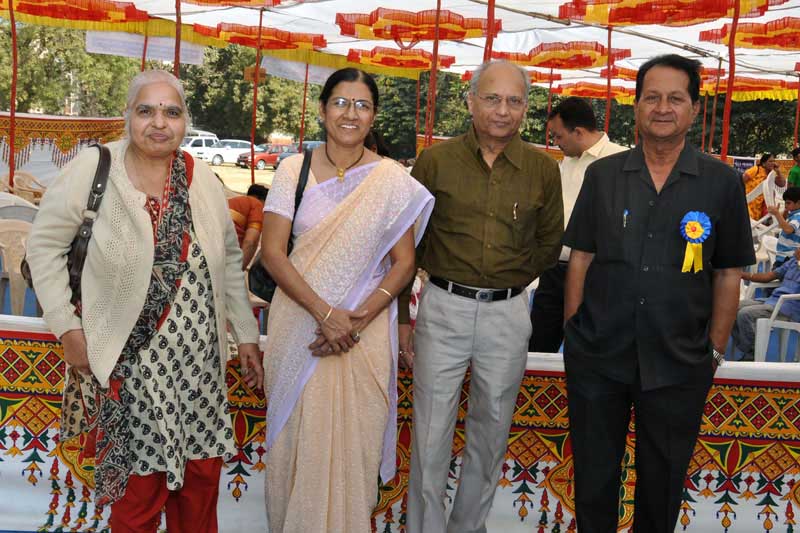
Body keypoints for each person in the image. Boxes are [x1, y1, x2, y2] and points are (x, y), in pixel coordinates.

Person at [26, 70, 262, 532]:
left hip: (199, 373)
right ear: (127, 116)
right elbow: (43, 247)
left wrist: (247, 334)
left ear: (185, 121)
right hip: (131, 368)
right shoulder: (96, 168)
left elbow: (229, 260)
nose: (159, 122)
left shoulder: (201, 178)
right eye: (146, 111)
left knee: (198, 496)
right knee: (137, 502)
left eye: (171, 112)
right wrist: (67, 327)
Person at [562, 54, 754, 533]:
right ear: (637, 105)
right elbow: (581, 257)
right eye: (652, 97)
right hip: (599, 358)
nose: (662, 107)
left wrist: (714, 350)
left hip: (679, 362)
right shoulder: (604, 176)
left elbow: (728, 272)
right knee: (593, 482)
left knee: (662, 486)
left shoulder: (722, 182)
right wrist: (574, 334)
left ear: (694, 108)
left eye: (675, 98)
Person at [260, 67, 434, 533]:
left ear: (373, 115)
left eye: (362, 105)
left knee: (352, 447)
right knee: (297, 441)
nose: (350, 114)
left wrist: (355, 320)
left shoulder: (391, 179)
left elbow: (404, 263)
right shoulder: (292, 170)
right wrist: (325, 314)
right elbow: (273, 253)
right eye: (340, 102)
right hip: (300, 327)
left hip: (363, 332)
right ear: (322, 109)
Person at [401, 59, 563, 533]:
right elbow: (409, 243)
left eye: (514, 101)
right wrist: (403, 318)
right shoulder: (435, 161)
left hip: (508, 312)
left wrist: (508, 281)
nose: (502, 110)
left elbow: (549, 243)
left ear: (526, 108)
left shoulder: (542, 169)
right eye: (492, 98)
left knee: (491, 433)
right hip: (443, 307)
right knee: (431, 434)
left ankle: (468, 527)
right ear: (471, 101)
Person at [529, 96, 627, 352]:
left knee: (590, 349)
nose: (555, 142)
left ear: (579, 132)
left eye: (558, 136)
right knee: (538, 346)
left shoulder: (621, 161)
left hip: (596, 274)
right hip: (554, 271)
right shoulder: (566, 162)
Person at [735, 247, 800, 361]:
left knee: (745, 314)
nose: (796, 249)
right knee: (733, 308)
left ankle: (752, 355)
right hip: (773, 300)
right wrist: (742, 275)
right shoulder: (792, 261)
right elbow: (768, 276)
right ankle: (750, 349)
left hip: (788, 308)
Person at [228, 183, 268, 268]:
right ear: (263, 200)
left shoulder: (232, 201)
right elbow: (251, 242)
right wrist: (238, 270)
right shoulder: (257, 205)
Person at [769, 187, 800, 267]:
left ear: (798, 203)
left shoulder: (798, 216)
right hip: (784, 256)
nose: (785, 206)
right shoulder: (793, 214)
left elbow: (788, 229)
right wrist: (784, 214)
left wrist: (777, 214)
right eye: (785, 203)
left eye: (788, 203)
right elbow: (782, 226)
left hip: (789, 258)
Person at [744, 153, 777, 220]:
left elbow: (782, 184)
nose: (773, 163)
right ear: (764, 164)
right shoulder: (756, 169)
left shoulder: (772, 175)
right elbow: (740, 181)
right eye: (770, 161)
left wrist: (778, 171)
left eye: (774, 161)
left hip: (758, 207)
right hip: (747, 203)